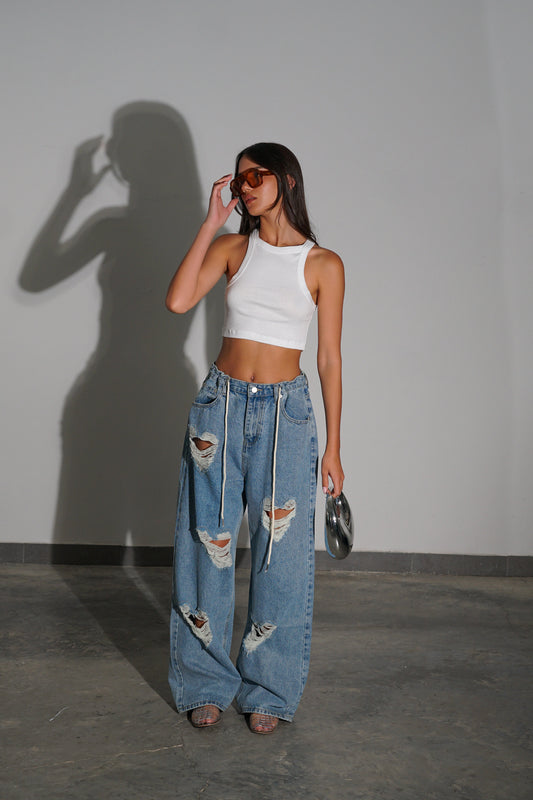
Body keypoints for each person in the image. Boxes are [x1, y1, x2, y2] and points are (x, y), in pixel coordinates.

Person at [166, 142, 344, 734]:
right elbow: (178, 301)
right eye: (239, 178)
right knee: (205, 544)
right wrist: (211, 221)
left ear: (287, 179)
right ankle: (204, 681)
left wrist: (334, 447)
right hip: (219, 406)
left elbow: (329, 360)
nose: (244, 187)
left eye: (256, 176)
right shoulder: (231, 248)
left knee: (281, 557)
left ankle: (269, 687)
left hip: (285, 413)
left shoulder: (323, 264)